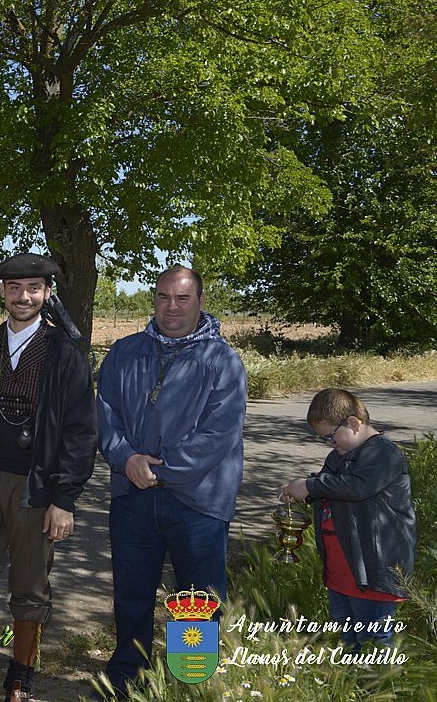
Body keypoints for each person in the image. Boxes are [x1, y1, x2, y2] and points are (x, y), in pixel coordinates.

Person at [0, 253, 96, 702]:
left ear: (46, 293)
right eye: (14, 288)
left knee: (29, 589)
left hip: (37, 486)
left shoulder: (67, 353)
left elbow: (81, 432)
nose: (23, 296)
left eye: (32, 288)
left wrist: (64, 499)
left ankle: (20, 681)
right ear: (3, 292)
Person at [95, 265, 246, 698]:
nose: (172, 307)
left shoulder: (222, 361)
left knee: (196, 601)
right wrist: (126, 459)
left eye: (182, 298)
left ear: (200, 302)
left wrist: (157, 470)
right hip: (132, 498)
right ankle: (126, 679)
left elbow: (218, 435)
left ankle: (192, 679)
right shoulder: (125, 353)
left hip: (197, 503)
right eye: (163, 297)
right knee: (131, 596)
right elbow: (105, 414)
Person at [279, 388, 416, 651]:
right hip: (342, 572)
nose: (329, 444)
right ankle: (351, 677)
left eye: (330, 436)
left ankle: (376, 679)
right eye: (324, 439)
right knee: (347, 639)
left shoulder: (384, 453)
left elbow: (357, 486)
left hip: (373, 572)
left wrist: (309, 485)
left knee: (373, 641)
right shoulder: (337, 457)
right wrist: (301, 490)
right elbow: (329, 487)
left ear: (353, 423)